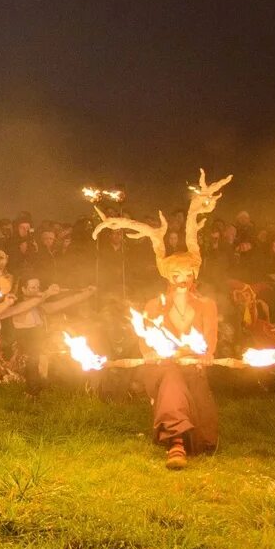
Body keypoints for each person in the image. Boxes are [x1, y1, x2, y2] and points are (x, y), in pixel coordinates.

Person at [94, 171, 231, 470]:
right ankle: (176, 445)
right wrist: (150, 354)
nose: (181, 281)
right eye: (176, 275)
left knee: (206, 440)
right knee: (169, 379)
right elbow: (145, 338)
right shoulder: (154, 305)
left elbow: (211, 337)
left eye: (186, 275)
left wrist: (206, 355)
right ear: (167, 277)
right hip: (161, 367)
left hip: (193, 366)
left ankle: (186, 438)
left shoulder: (206, 305)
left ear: (194, 276)